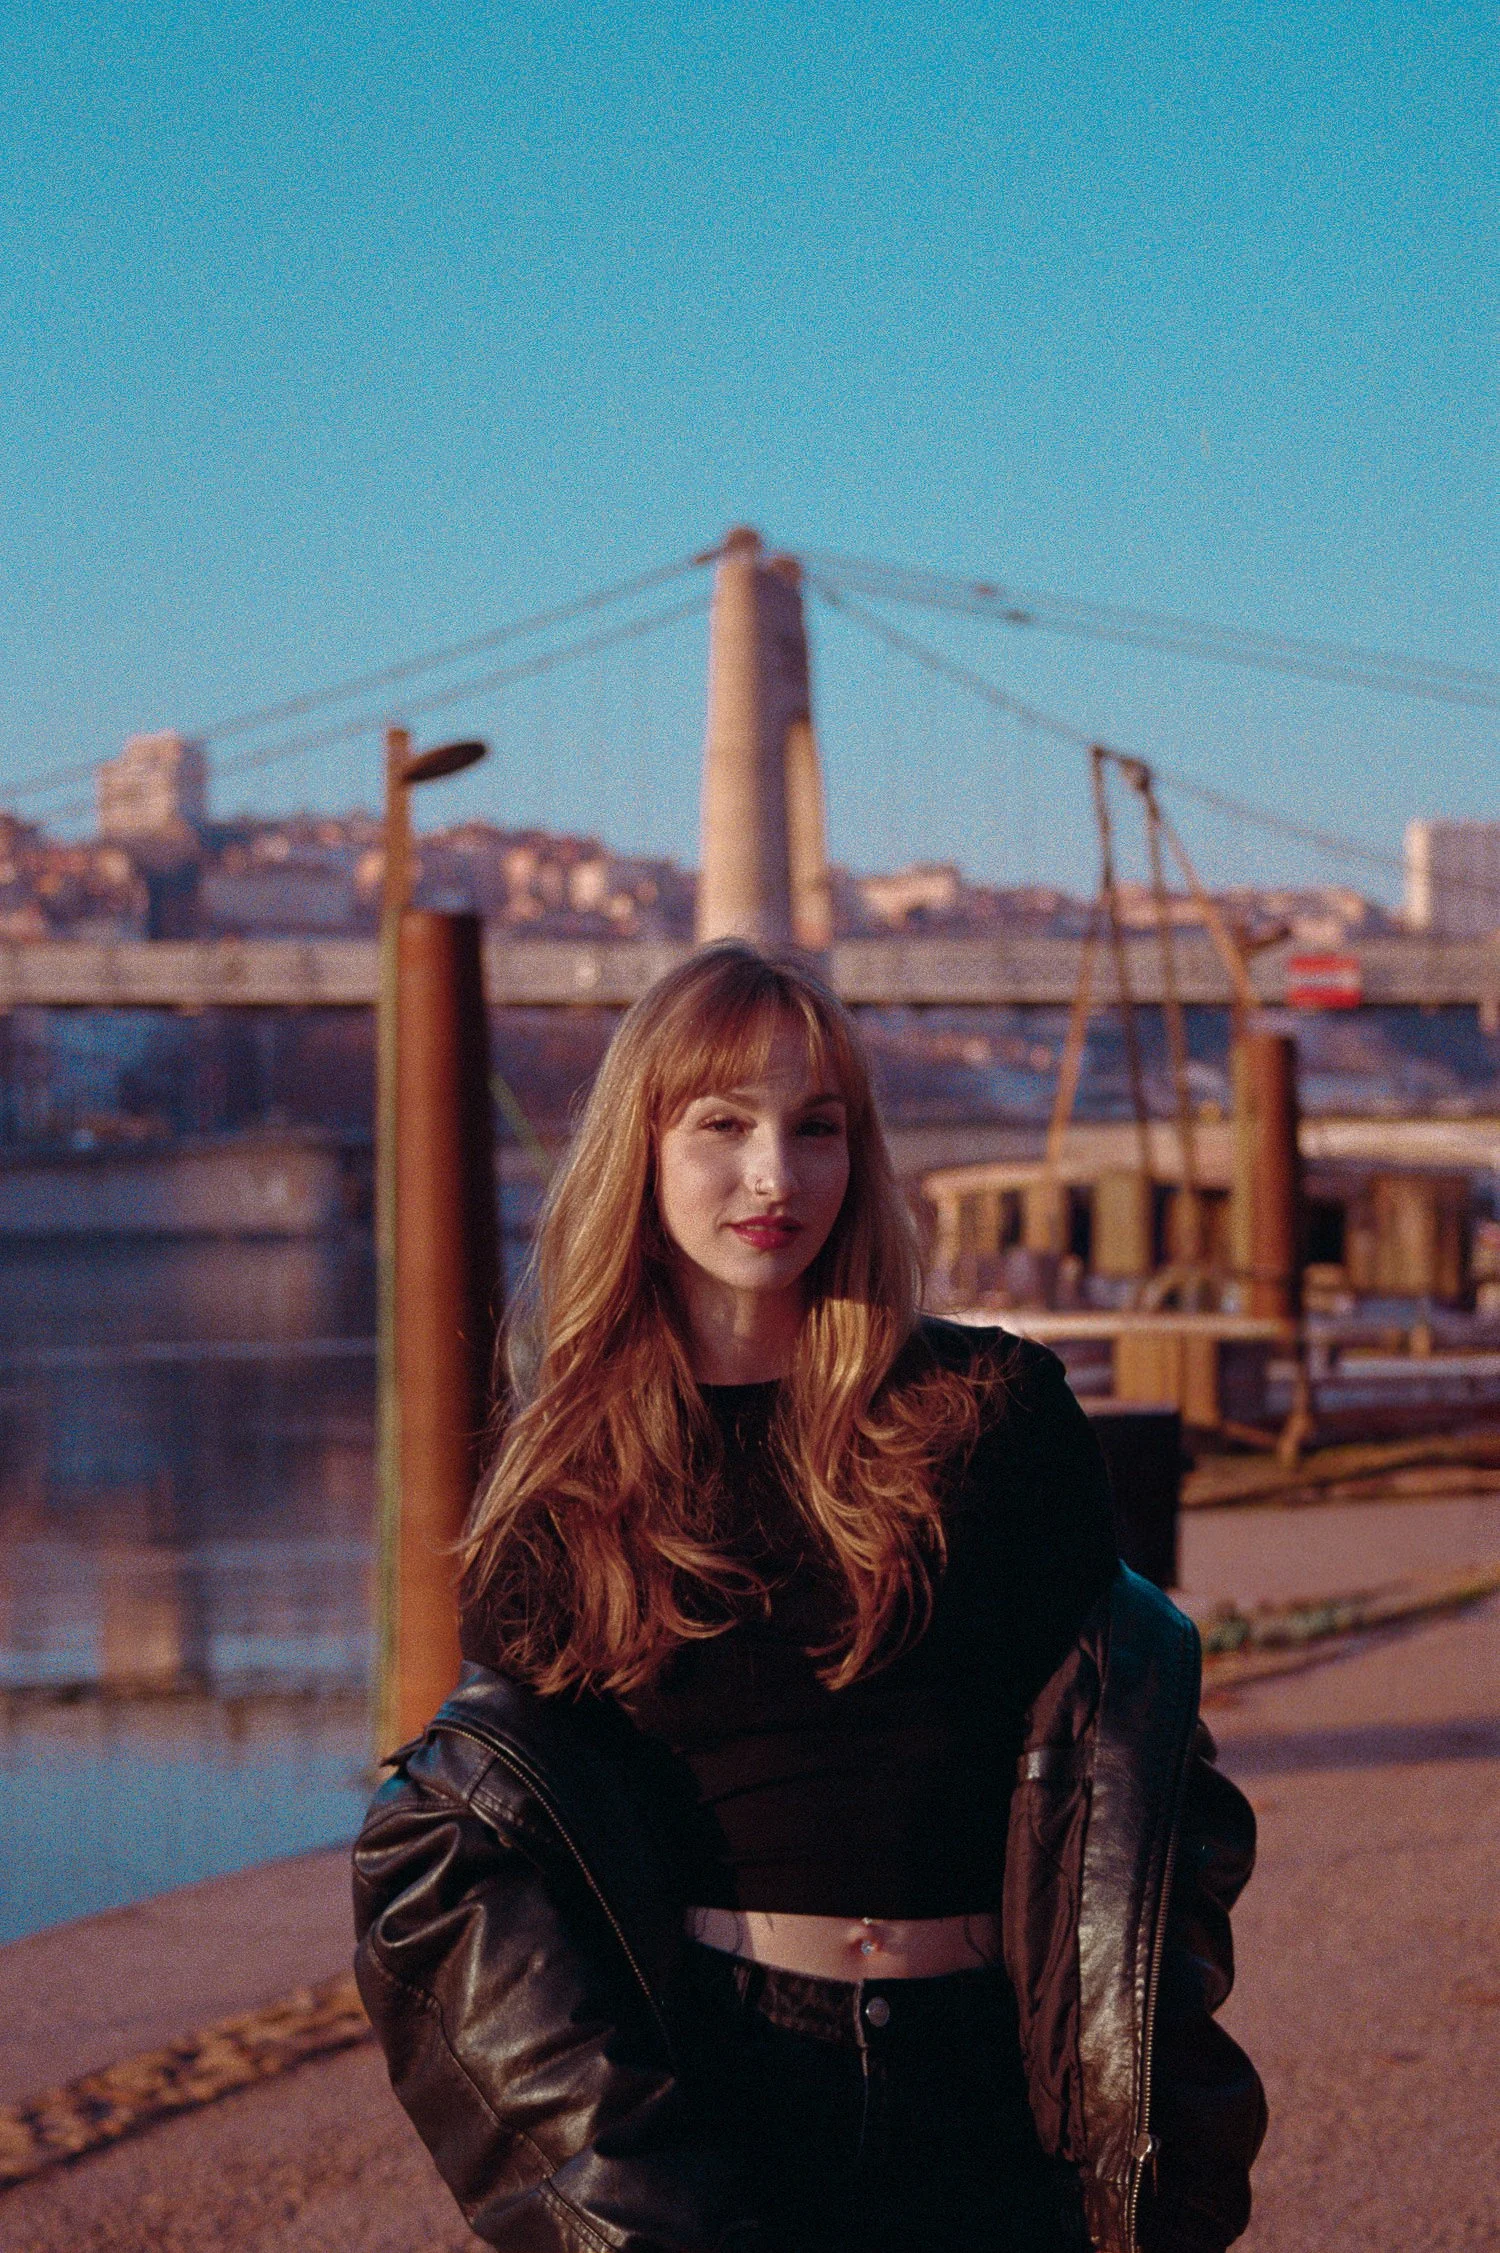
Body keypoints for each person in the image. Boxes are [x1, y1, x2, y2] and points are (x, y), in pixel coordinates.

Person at [353, 942, 1266, 2253]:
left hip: (996, 2086)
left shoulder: (993, 1418)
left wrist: (1160, 2074)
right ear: (643, 1150)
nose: (777, 1177)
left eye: (816, 1127)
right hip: (722, 2090)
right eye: (723, 1125)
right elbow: (509, 1861)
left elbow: (1145, 1777)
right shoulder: (568, 1478)